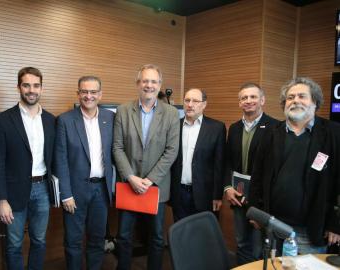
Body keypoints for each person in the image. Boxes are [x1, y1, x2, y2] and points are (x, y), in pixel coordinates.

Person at [249, 77, 340, 254]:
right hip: (273, 225)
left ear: (314, 101)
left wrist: (336, 224)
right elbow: (257, 175)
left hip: (311, 229)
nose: (295, 100)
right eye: (290, 97)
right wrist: (255, 211)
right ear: (284, 103)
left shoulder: (333, 134)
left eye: (302, 96)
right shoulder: (271, 133)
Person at [113, 64, 179, 270]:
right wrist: (131, 177)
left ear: (159, 85)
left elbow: (171, 150)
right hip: (129, 184)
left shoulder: (171, 113)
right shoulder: (123, 110)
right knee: (123, 236)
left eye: (153, 81)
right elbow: (117, 147)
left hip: (156, 187)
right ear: (138, 84)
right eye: (145, 81)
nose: (148, 85)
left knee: (157, 237)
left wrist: (149, 180)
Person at [0, 67, 55, 269]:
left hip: (43, 189)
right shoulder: (3, 119)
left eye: (36, 85)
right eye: (26, 85)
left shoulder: (51, 120)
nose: (31, 90)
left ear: (41, 88)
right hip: (13, 193)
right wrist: (1, 200)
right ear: (18, 87)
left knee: (39, 240)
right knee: (14, 244)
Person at [54, 76, 114, 270]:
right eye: (84, 92)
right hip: (75, 192)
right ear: (78, 93)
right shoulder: (65, 120)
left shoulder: (110, 118)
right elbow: (60, 159)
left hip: (101, 190)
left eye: (93, 92)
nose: (89, 96)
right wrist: (66, 194)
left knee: (97, 240)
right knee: (73, 241)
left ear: (100, 94)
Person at [223, 83, 277, 265]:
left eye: (253, 97)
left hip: (261, 200)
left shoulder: (275, 128)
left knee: (259, 246)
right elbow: (228, 161)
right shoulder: (235, 127)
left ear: (262, 100)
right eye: (244, 98)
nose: (248, 101)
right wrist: (228, 188)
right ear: (239, 103)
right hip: (238, 196)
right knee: (241, 242)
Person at [170, 88, 226, 221]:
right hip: (179, 193)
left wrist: (217, 195)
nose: (190, 104)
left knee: (201, 237)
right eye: (187, 100)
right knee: (180, 234)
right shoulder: (174, 126)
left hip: (204, 195)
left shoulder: (217, 128)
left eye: (195, 101)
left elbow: (219, 164)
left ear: (204, 104)